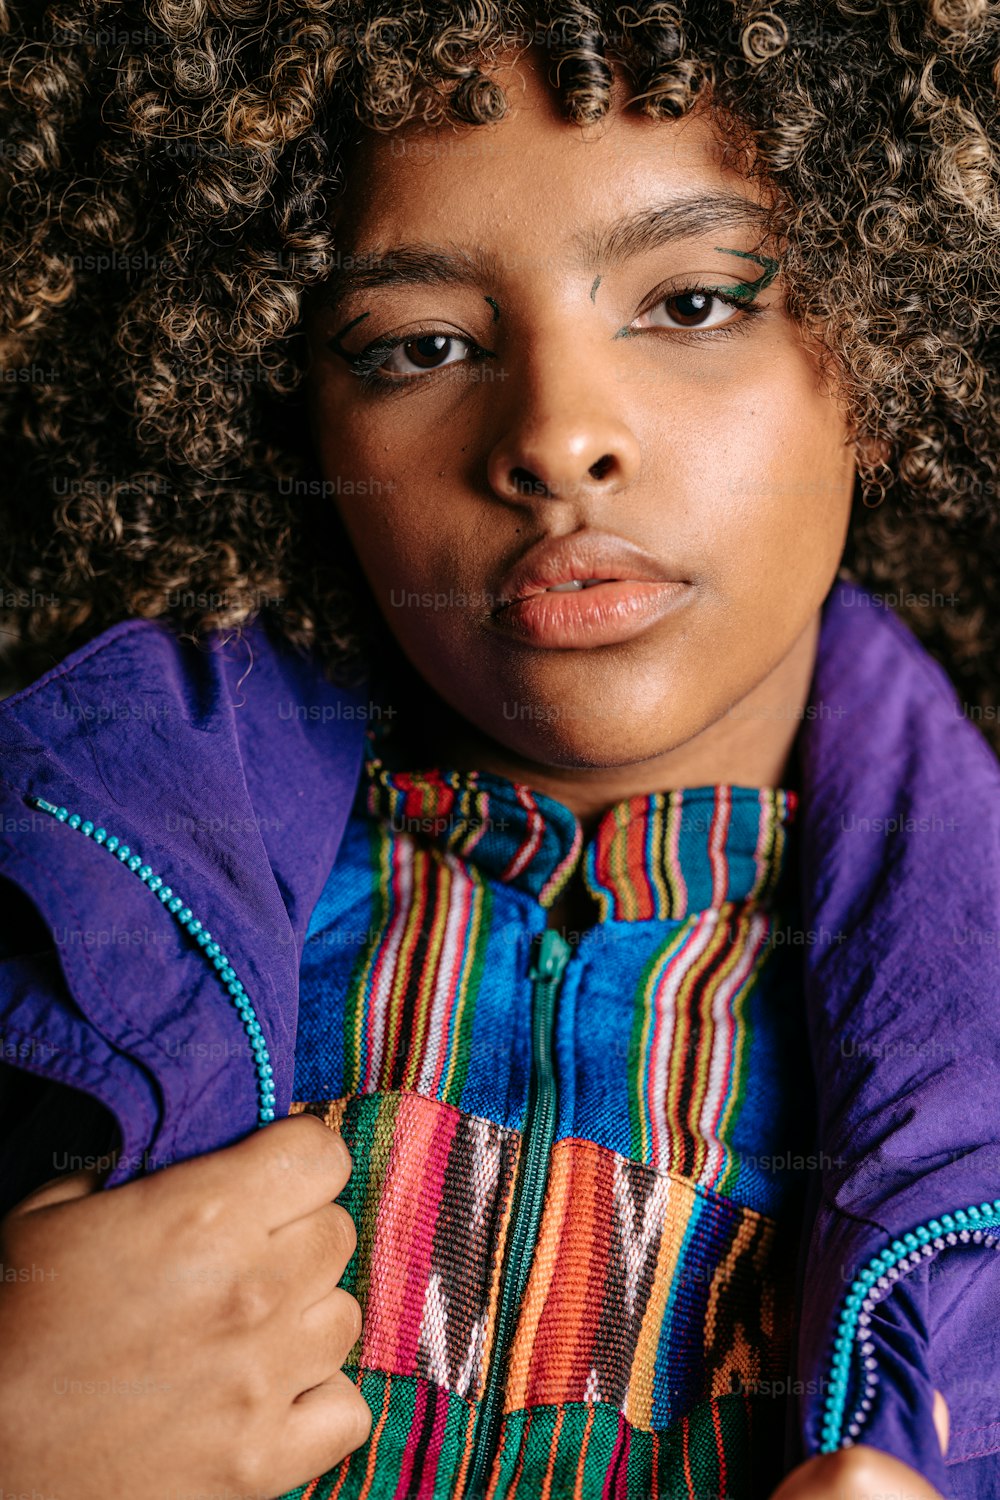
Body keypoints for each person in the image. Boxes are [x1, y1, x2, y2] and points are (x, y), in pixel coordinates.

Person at [0, 3, 998, 1497]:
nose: (557, 433)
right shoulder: (56, 929)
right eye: (422, 343)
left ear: (883, 343)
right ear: (282, 412)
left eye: (694, 303)